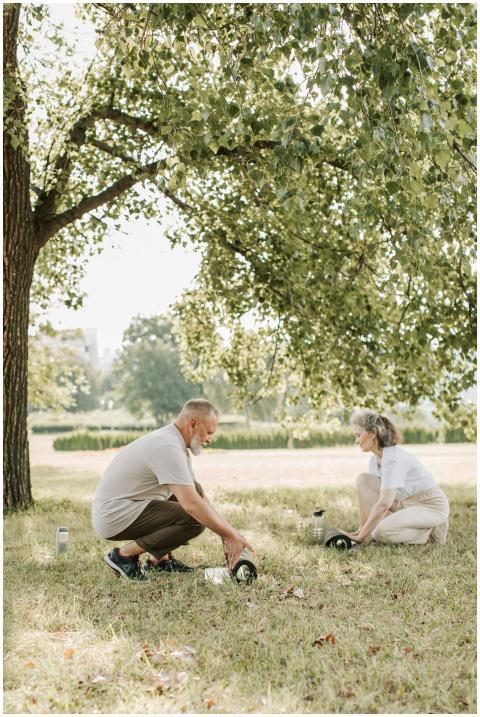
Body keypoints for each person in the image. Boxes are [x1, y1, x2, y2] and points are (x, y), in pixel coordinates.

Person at [92, 398, 253, 580]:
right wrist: (228, 535)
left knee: (195, 490)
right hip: (113, 515)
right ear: (193, 423)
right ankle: (123, 556)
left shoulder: (175, 442)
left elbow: (199, 497)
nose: (210, 439)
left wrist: (229, 533)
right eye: (209, 432)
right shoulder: (167, 447)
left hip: (130, 506)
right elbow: (192, 505)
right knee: (194, 519)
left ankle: (159, 560)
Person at [339, 410, 449, 545]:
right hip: (406, 503)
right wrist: (361, 530)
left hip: (431, 507)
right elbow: (378, 496)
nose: (356, 440)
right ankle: (371, 529)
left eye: (358, 435)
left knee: (379, 533)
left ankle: (430, 531)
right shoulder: (375, 460)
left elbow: (384, 504)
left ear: (373, 433)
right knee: (363, 480)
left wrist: (360, 537)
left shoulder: (393, 460)